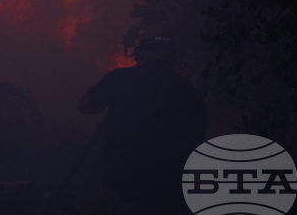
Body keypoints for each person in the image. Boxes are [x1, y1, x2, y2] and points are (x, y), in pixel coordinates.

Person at [76, 35, 207, 215]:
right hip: (168, 200)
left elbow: (84, 106)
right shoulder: (192, 95)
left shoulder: (120, 79)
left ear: (140, 55)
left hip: (119, 194)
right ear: (173, 58)